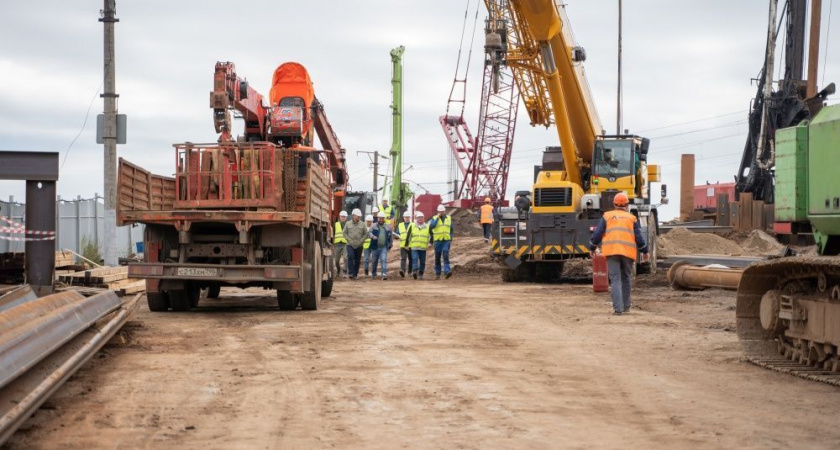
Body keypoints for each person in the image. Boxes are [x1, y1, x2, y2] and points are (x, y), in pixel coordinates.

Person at [589, 192, 648, 315]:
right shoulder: (632, 218)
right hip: (628, 254)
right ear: (626, 205)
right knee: (626, 278)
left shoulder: (607, 216)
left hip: (611, 253)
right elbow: (639, 237)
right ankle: (626, 307)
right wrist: (644, 251)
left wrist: (593, 247)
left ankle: (618, 309)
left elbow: (598, 234)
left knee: (615, 280)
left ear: (614, 205)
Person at [428, 204, 453, 280]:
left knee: (445, 254)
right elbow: (432, 226)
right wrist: (437, 218)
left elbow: (451, 228)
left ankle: (447, 271)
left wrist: (450, 238)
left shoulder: (449, 218)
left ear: (444, 211)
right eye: (440, 211)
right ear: (438, 212)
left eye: (442, 211)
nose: (441, 213)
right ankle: (438, 273)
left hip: (446, 240)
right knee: (437, 257)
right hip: (438, 241)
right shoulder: (434, 218)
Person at [344, 209, 368, 280]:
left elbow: (366, 234)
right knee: (350, 257)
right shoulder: (348, 224)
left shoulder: (362, 224)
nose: (359, 217)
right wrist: (349, 240)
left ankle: (355, 274)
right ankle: (351, 273)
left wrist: (361, 240)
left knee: (357, 260)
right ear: (353, 216)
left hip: (359, 245)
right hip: (350, 244)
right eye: (358, 216)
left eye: (359, 216)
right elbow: (344, 233)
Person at [369, 212, 392, 280]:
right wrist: (373, 236)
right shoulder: (373, 226)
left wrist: (390, 244)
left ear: (384, 219)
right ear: (378, 218)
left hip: (383, 247)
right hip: (375, 247)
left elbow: (390, 236)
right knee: (374, 261)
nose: (381, 220)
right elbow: (369, 233)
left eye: (382, 218)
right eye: (380, 218)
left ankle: (384, 274)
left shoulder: (388, 227)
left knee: (383, 260)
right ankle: (373, 274)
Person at [409, 211, 431, 280]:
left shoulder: (427, 226)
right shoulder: (412, 226)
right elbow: (408, 236)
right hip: (414, 246)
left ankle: (421, 273)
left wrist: (430, 243)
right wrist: (407, 244)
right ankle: (415, 271)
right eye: (419, 218)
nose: (420, 219)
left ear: (423, 218)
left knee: (422, 261)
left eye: (421, 218)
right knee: (414, 259)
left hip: (423, 247)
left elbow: (431, 235)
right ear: (416, 219)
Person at [394, 211, 414, 277]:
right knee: (403, 258)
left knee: (411, 259)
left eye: (408, 217)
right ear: (403, 218)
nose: (407, 218)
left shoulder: (413, 225)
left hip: (411, 245)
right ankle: (402, 270)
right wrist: (396, 236)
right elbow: (397, 233)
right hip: (403, 245)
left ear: (410, 218)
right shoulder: (400, 225)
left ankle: (410, 271)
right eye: (406, 217)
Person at [333, 210, 349, 279]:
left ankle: (345, 272)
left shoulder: (348, 225)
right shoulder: (336, 224)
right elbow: (333, 233)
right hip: (338, 244)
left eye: (344, 217)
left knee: (346, 258)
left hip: (346, 244)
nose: (343, 218)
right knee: (336, 260)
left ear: (346, 217)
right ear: (340, 217)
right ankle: (338, 270)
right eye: (342, 217)